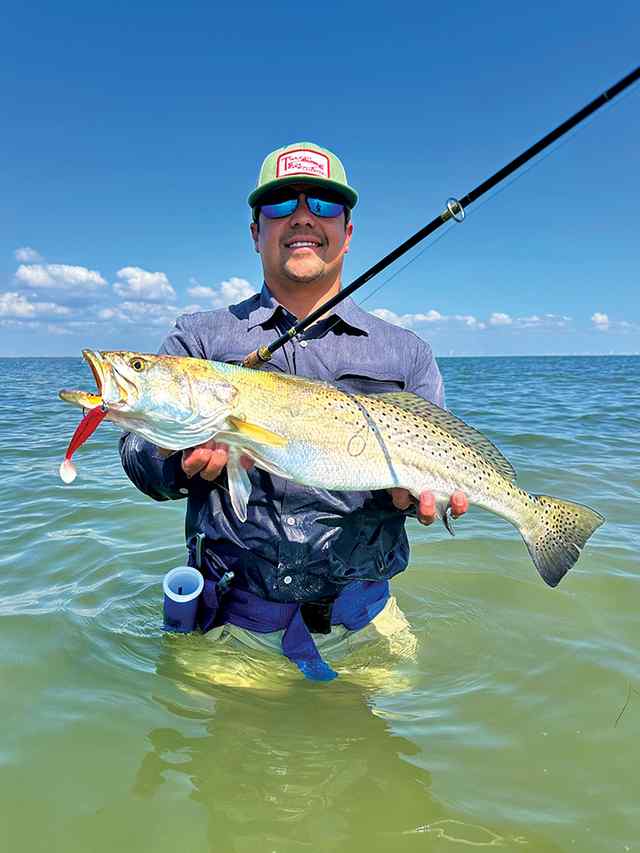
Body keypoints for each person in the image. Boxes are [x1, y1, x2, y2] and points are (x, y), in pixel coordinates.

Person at [120, 141, 468, 681]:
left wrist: (415, 499)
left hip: (366, 626)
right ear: (256, 230)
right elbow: (140, 456)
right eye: (281, 205)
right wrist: (174, 457)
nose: (302, 217)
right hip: (233, 626)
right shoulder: (199, 338)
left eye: (324, 205)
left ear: (348, 232)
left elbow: (429, 472)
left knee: (382, 765)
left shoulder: (407, 352)